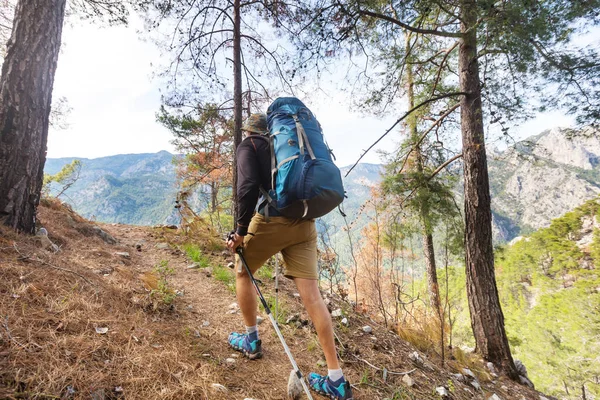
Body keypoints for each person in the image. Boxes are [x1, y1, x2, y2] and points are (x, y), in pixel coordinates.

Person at [226, 113, 353, 400]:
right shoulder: (291, 147)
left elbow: (246, 189)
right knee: (312, 295)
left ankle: (250, 339)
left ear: (249, 131)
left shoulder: (250, 146)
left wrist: (241, 232)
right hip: (305, 224)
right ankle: (336, 379)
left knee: (243, 271)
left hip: (272, 222)